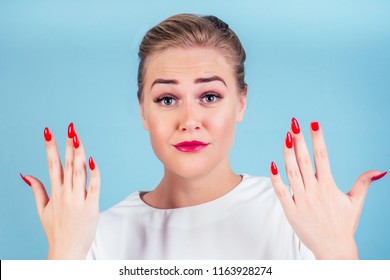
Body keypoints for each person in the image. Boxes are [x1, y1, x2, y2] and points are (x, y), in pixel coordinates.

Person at [20, 14, 387, 260]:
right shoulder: (96, 236)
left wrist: (340, 255)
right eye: (166, 99)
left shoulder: (302, 218)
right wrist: (64, 257)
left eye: (209, 96)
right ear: (143, 111)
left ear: (241, 103)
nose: (189, 120)